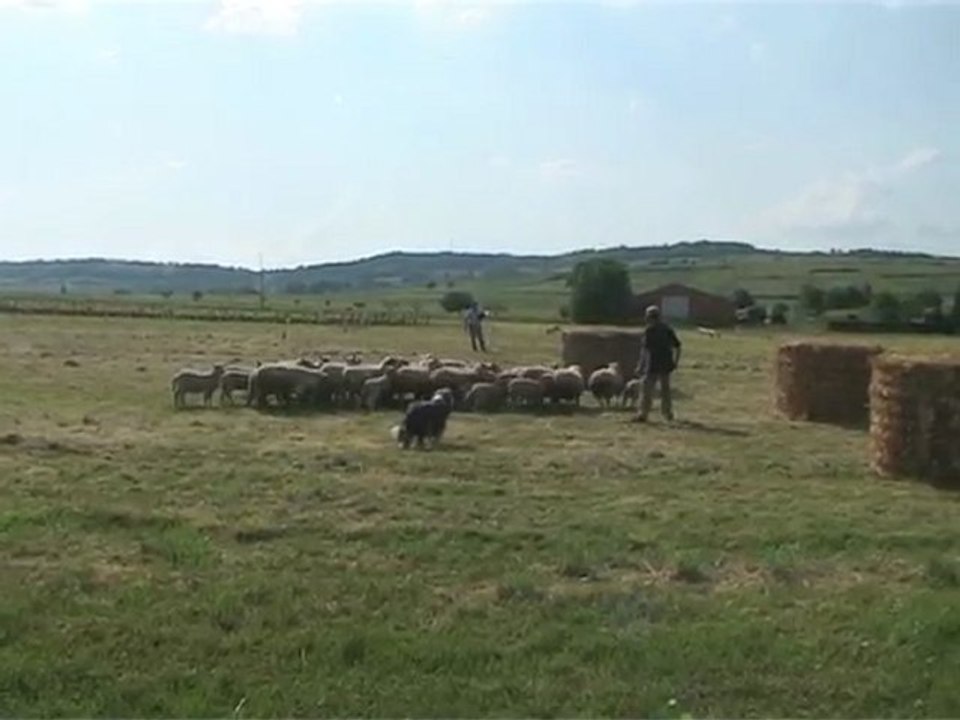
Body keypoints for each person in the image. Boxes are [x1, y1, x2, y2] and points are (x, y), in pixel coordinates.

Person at [633, 305, 681, 422]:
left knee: (646, 389)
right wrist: (675, 362)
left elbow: (645, 350)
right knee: (665, 390)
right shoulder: (667, 329)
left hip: (653, 364)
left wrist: (640, 365)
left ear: (648, 317)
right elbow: (678, 346)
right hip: (666, 363)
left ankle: (643, 413)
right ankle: (667, 413)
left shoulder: (649, 331)